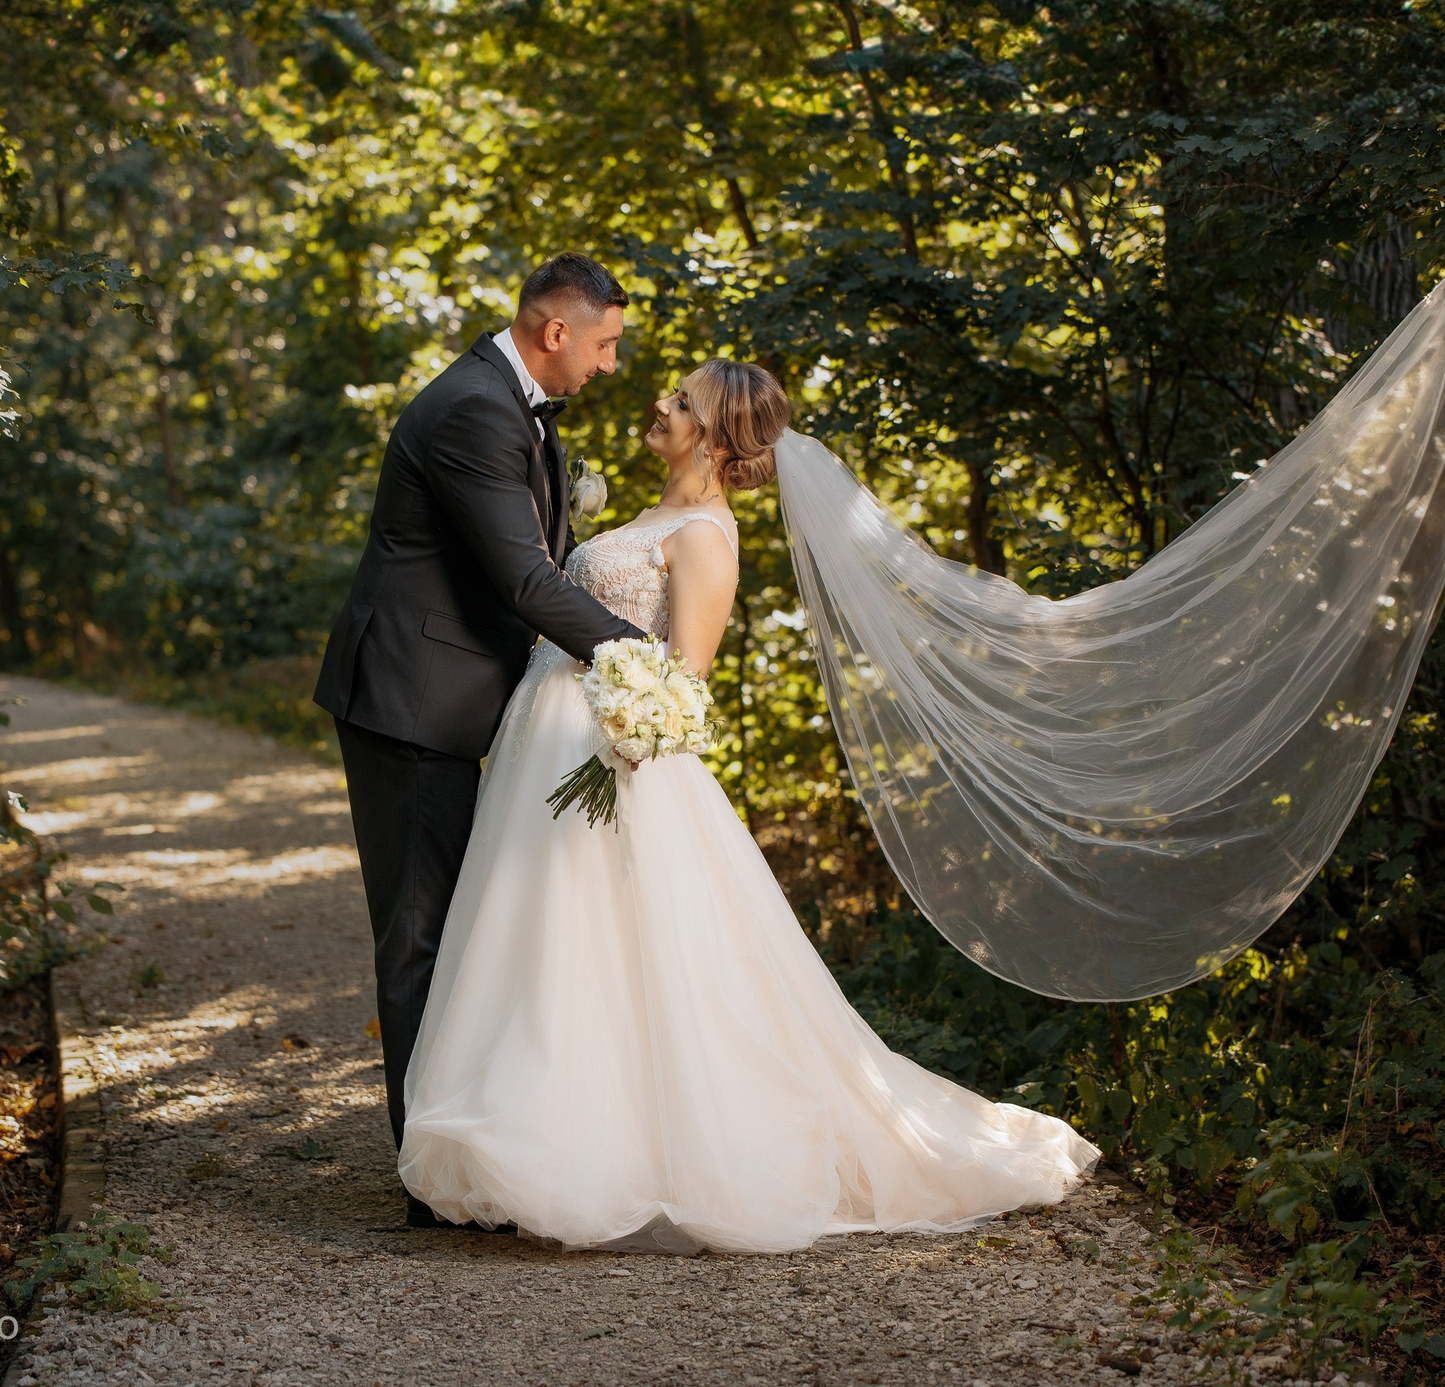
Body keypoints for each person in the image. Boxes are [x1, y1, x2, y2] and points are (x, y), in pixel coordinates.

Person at [398, 358, 1097, 1252]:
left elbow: (683, 675)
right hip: (550, 734)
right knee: (539, 939)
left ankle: (610, 1155)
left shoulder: (706, 535)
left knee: (603, 950)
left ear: (719, 440)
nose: (661, 402)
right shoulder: (653, 514)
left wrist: (629, 732)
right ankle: (524, 1139)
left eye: (681, 402)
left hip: (610, 753)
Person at [312, 253, 646, 1227]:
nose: (611, 362)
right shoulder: (476, 409)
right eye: (605, 342)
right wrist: (643, 660)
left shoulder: (510, 404)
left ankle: (456, 1150)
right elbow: (526, 583)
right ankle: (429, 1177)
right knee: (421, 934)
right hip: (409, 702)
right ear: (555, 333)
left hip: (446, 697)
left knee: (454, 929)